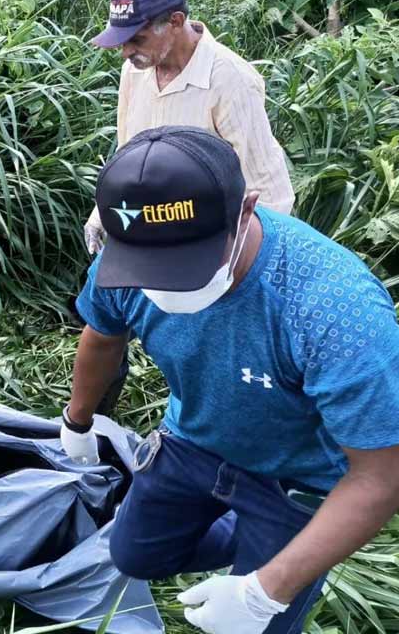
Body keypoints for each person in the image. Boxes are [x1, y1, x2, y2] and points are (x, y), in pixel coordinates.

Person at [59, 126, 399, 634]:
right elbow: (103, 335)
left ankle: (284, 549)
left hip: (296, 477)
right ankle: (252, 537)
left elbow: (382, 475)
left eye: (184, 262)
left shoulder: (335, 309)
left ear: (246, 210)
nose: (161, 284)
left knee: (260, 624)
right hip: (193, 438)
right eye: (148, 264)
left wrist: (265, 591)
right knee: (135, 555)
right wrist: (77, 421)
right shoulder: (121, 263)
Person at [85, 0, 295, 255]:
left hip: (212, 245)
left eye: (137, 39)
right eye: (123, 41)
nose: (125, 52)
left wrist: (243, 268)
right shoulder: (134, 72)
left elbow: (269, 192)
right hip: (151, 236)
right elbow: (129, 155)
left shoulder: (230, 80)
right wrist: (103, 211)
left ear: (175, 21)